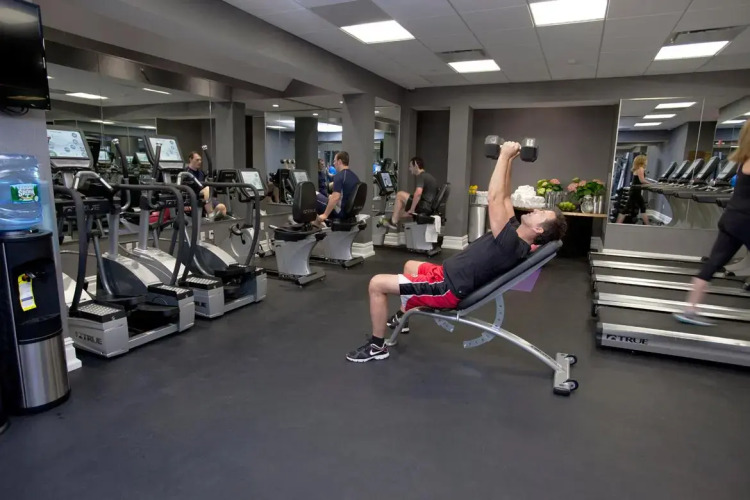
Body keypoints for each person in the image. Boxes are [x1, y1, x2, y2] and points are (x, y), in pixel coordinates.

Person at [346, 142, 567, 362]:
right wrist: (509, 160)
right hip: (444, 274)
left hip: (447, 288)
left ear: (539, 230)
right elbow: (505, 197)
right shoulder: (514, 231)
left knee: (376, 284)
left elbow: (494, 198)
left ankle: (377, 347)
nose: (536, 210)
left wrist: (503, 155)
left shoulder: (512, 244)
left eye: (541, 214)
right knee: (409, 266)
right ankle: (403, 318)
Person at [675, 121, 750, 326]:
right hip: (746, 222)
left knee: (713, 264)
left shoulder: (743, 161)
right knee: (714, 263)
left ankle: (690, 309)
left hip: (731, 219)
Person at [381, 157, 439, 229]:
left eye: (410, 166)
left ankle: (393, 222)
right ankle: (392, 221)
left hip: (423, 206)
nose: (409, 169)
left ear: (416, 165)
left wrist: (412, 209)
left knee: (399, 194)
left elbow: (418, 193)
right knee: (399, 212)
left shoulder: (422, 176)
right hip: (427, 207)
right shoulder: (428, 176)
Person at [315, 151, 360, 224]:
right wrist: (331, 197)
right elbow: (345, 195)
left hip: (340, 213)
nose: (334, 163)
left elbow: (336, 197)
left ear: (339, 161)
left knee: (314, 195)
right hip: (349, 213)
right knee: (328, 198)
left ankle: (314, 223)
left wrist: (325, 215)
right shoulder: (355, 177)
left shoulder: (339, 176)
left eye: (334, 161)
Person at [185, 151, 227, 219]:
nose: (199, 162)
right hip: (194, 197)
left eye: (200, 160)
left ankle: (213, 221)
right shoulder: (186, 172)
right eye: (197, 160)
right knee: (206, 189)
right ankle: (210, 213)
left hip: (206, 197)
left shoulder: (201, 173)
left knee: (222, 208)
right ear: (190, 159)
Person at [616, 155, 650, 225]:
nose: (646, 162)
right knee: (642, 207)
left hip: (635, 191)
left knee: (627, 209)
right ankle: (648, 225)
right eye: (645, 160)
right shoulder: (641, 169)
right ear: (642, 161)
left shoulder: (637, 169)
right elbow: (642, 180)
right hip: (635, 191)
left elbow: (638, 181)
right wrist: (651, 183)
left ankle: (617, 224)